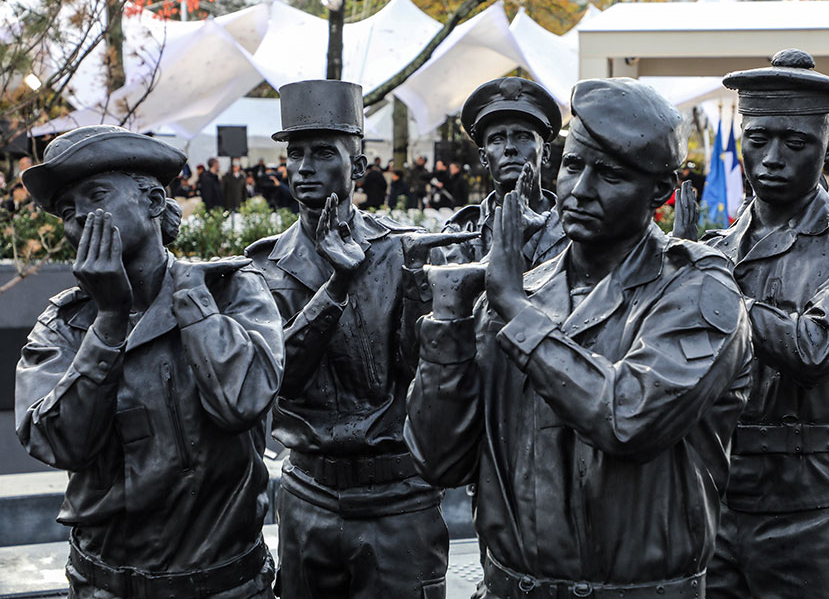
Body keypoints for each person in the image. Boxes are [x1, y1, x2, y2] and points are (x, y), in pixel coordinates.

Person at [406, 78, 754, 599]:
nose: (580, 190)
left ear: (660, 191)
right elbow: (438, 461)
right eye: (572, 165)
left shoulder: (699, 289)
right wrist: (449, 327)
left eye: (610, 174)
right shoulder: (522, 291)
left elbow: (628, 420)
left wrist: (517, 315)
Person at [16, 125, 284, 598]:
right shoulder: (64, 324)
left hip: (225, 586)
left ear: (155, 202)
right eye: (66, 210)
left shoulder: (231, 291)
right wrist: (109, 321)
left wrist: (194, 305)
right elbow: (59, 443)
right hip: (106, 585)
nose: (79, 217)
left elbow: (241, 402)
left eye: (95, 194)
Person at [677, 49, 829, 599]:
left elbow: (814, 349)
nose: (772, 158)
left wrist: (703, 287)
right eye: (757, 140)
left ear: (827, 147)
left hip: (820, 508)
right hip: (718, 503)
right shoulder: (712, 251)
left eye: (795, 143)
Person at [246, 80, 473, 598]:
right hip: (307, 497)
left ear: (360, 168)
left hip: (398, 500)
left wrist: (421, 289)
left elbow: (422, 380)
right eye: (295, 153)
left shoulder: (401, 254)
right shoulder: (262, 268)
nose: (304, 167)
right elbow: (277, 379)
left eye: (324, 153)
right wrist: (338, 285)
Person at [434, 77, 568, 267]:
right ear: (483, 157)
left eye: (522, 136)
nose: (510, 148)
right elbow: (455, 292)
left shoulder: (572, 225)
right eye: (497, 139)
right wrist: (510, 242)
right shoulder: (462, 231)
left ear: (544, 152)